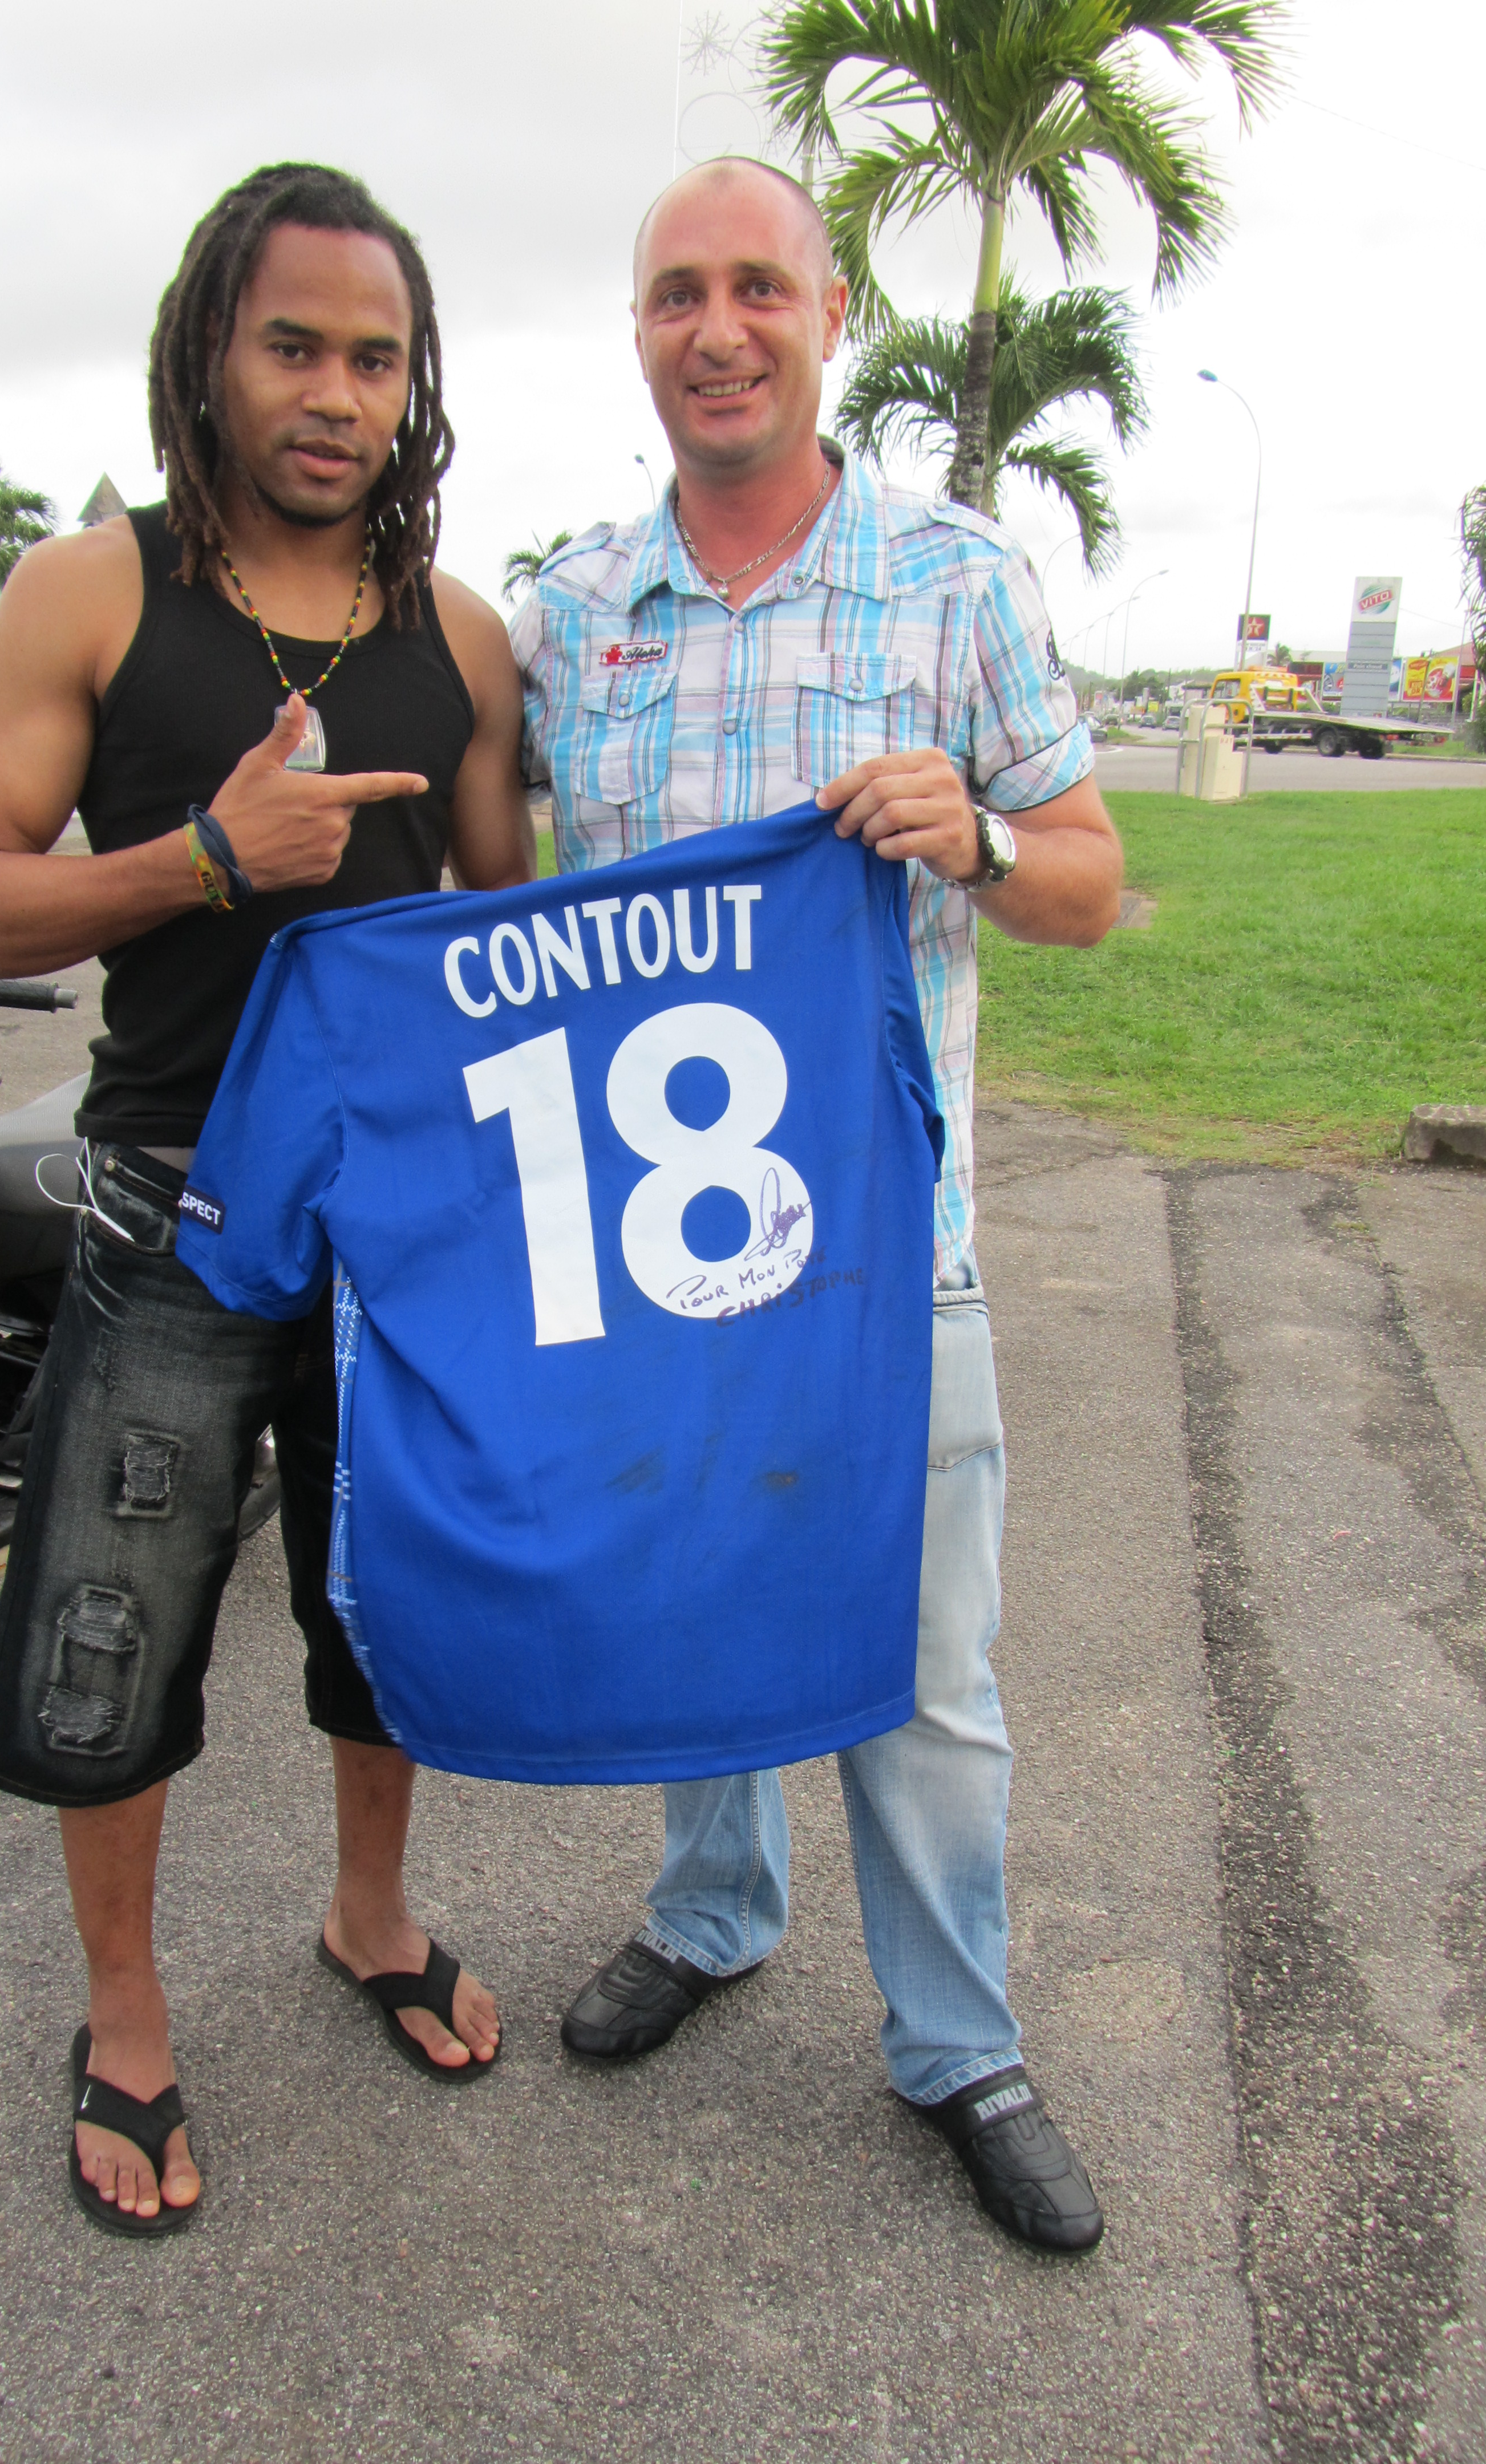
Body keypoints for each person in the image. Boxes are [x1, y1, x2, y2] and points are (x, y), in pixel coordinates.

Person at [512, 157, 1123, 2256]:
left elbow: (1091, 882)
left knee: (925, 1667)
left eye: (757, 287)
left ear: (831, 311)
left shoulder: (955, 583)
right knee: (691, 1608)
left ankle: (959, 2041)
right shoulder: (572, 612)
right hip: (655, 1265)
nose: (718, 330)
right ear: (638, 330)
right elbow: (498, 918)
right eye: (676, 291)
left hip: (885, 1257)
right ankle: (710, 1911)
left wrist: (979, 836)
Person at [0, 162, 533, 2234]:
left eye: (376, 356)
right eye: (294, 346)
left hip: (400, 1238)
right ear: (208, 355)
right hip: (172, 1211)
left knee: (383, 1605)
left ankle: (371, 1911)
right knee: (110, 1628)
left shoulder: (460, 637)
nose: (336, 394)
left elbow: (512, 936)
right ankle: (124, 2008)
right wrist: (208, 856)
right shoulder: (90, 594)